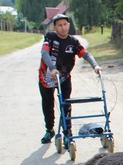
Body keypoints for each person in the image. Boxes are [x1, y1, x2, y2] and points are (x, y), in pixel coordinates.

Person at [37, 14, 101, 143]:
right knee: (48, 105)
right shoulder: (49, 37)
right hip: (47, 77)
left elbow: (85, 54)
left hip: (64, 78)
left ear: (69, 25)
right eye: (60, 25)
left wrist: (95, 65)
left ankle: (67, 132)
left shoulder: (73, 42)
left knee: (66, 105)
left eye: (65, 24)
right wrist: (52, 68)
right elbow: (44, 53)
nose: (63, 28)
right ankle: (49, 129)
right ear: (54, 27)